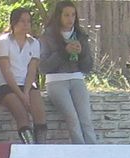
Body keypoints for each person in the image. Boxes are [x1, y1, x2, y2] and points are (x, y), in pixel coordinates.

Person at [39, 0, 97, 144]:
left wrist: (82, 53)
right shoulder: (47, 36)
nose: (70, 19)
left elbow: (88, 67)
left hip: (77, 78)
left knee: (86, 119)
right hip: (56, 81)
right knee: (72, 118)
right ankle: (80, 151)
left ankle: (93, 150)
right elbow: (43, 67)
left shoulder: (80, 35)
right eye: (66, 15)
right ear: (59, 16)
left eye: (73, 15)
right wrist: (64, 52)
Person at [0, 7, 48, 144]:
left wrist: (26, 92)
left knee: (39, 113)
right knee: (21, 114)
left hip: (26, 83)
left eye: (28, 21)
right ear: (14, 22)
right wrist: (21, 95)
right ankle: (29, 146)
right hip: (7, 84)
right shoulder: (3, 41)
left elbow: (32, 70)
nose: (26, 25)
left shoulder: (34, 43)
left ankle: (41, 147)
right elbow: (6, 70)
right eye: (22, 21)